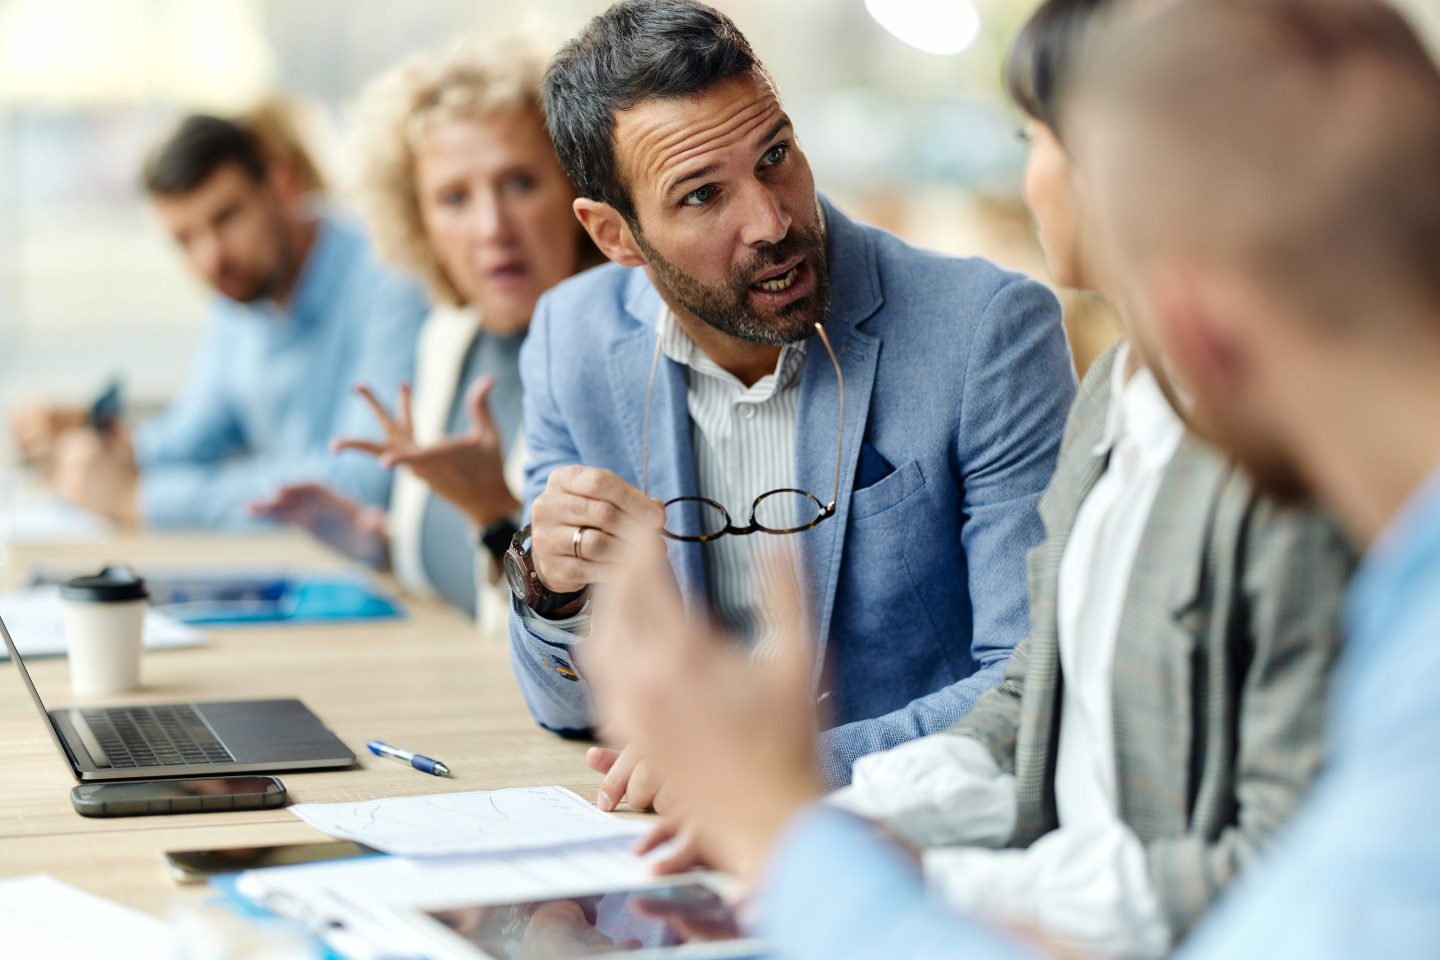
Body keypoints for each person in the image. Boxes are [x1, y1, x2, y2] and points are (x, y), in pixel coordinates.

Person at [583, 0, 1440, 957]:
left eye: (1028, 138)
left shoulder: (1312, 526)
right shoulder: (1118, 388)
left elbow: (1264, 879)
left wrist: (811, 854)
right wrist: (840, 826)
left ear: (1194, 319)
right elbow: (1038, 690)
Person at [503, 0, 1077, 810]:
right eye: (702, 196)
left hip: (912, 831)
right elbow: (567, 709)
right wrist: (552, 588)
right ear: (613, 235)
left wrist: (779, 770)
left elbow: (1034, 681)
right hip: (677, 845)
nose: (771, 222)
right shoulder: (572, 340)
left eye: (775, 155)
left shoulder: (985, 331)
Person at [251, 39, 595, 623]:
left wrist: (494, 516)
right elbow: (454, 579)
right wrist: (376, 545)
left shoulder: (610, 355)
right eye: (454, 198)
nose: (492, 228)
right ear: (418, 221)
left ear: (575, 189)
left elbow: (576, 652)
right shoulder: (448, 335)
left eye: (519, 184)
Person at [10, 113, 426, 528]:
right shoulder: (240, 295)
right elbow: (194, 432)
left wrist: (144, 499)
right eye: (184, 240)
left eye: (226, 218)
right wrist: (116, 456)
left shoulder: (389, 280)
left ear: (282, 185)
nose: (211, 258)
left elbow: (362, 483)